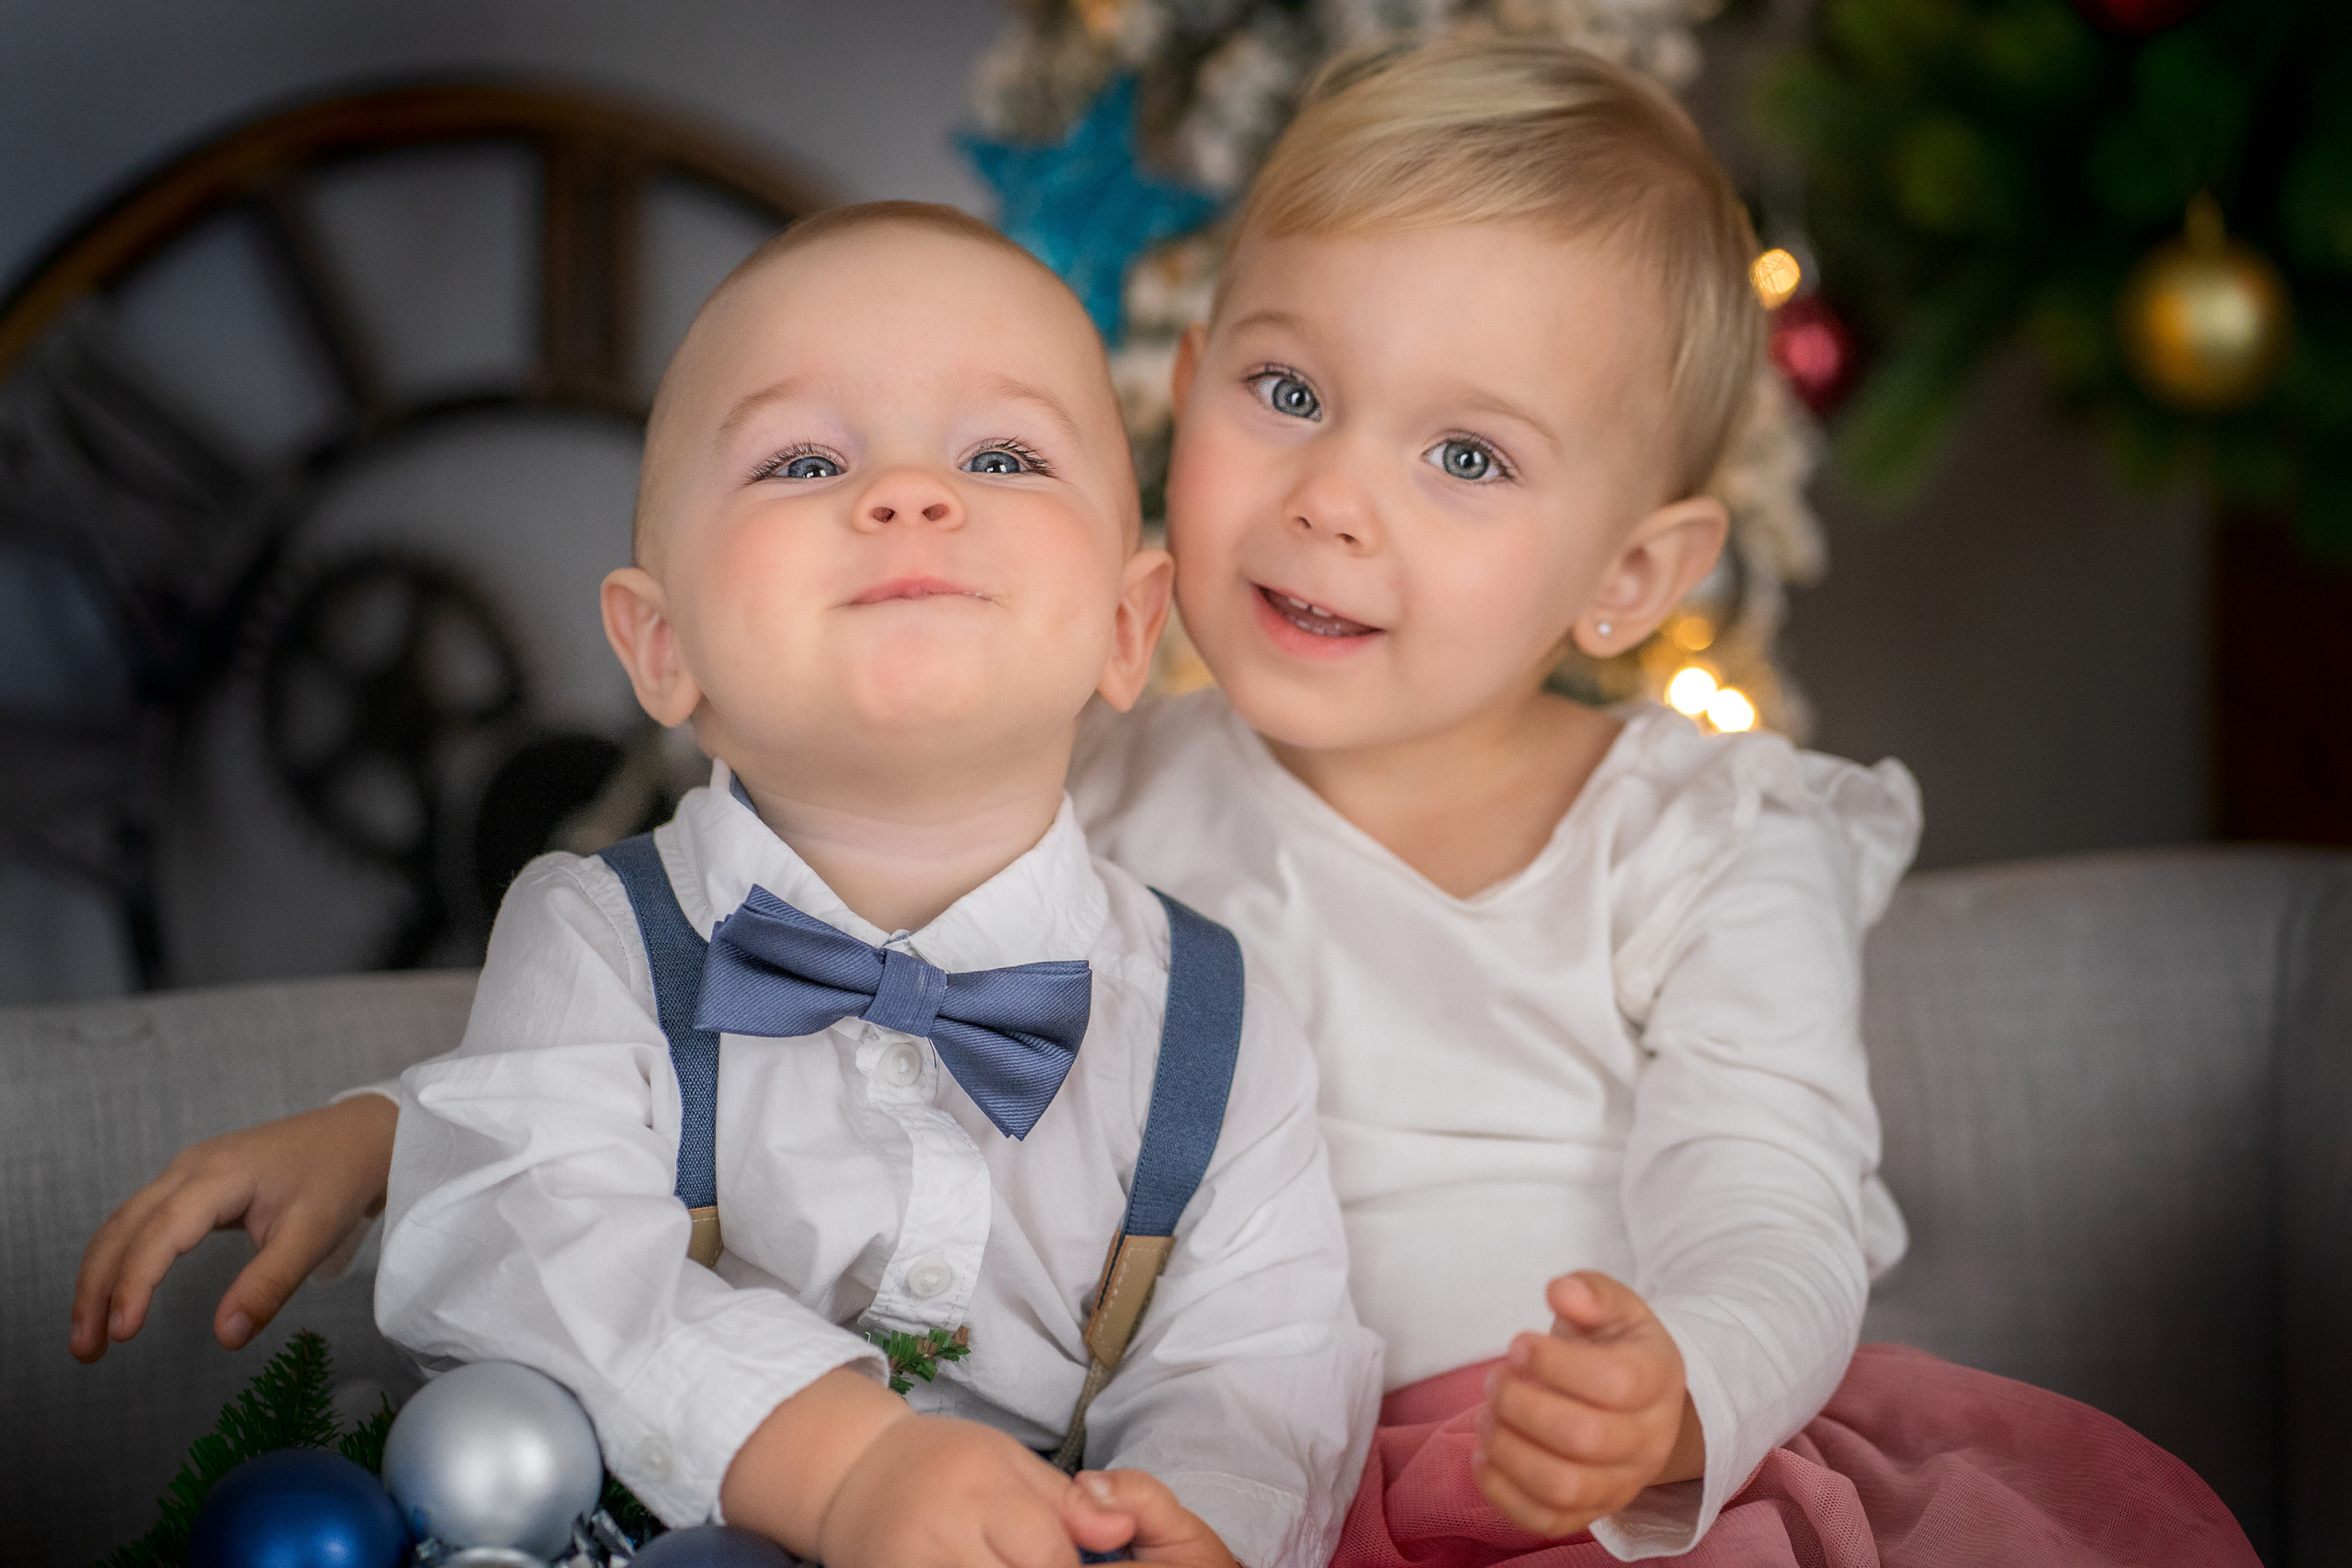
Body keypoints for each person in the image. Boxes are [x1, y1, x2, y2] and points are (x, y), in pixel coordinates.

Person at [74, 39, 2256, 1566]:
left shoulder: (1704, 841)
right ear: (1183, 400)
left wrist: (1682, 1374)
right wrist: (389, 1122)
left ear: (1631, 576)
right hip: (1164, 1485)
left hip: (1573, 1492)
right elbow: (727, 955)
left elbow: (1770, 1185)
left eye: (1464, 455)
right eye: (1286, 389)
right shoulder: (1096, 764)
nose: (1329, 500)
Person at [366, 201, 1378, 1566]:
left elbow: (1263, 1359)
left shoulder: (1213, 1020)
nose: (909, 494)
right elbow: (519, 1244)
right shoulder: (595, 936)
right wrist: (837, 1467)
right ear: (662, 648)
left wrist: (1196, 1525)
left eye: (1003, 454)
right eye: (802, 460)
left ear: (1131, 627)